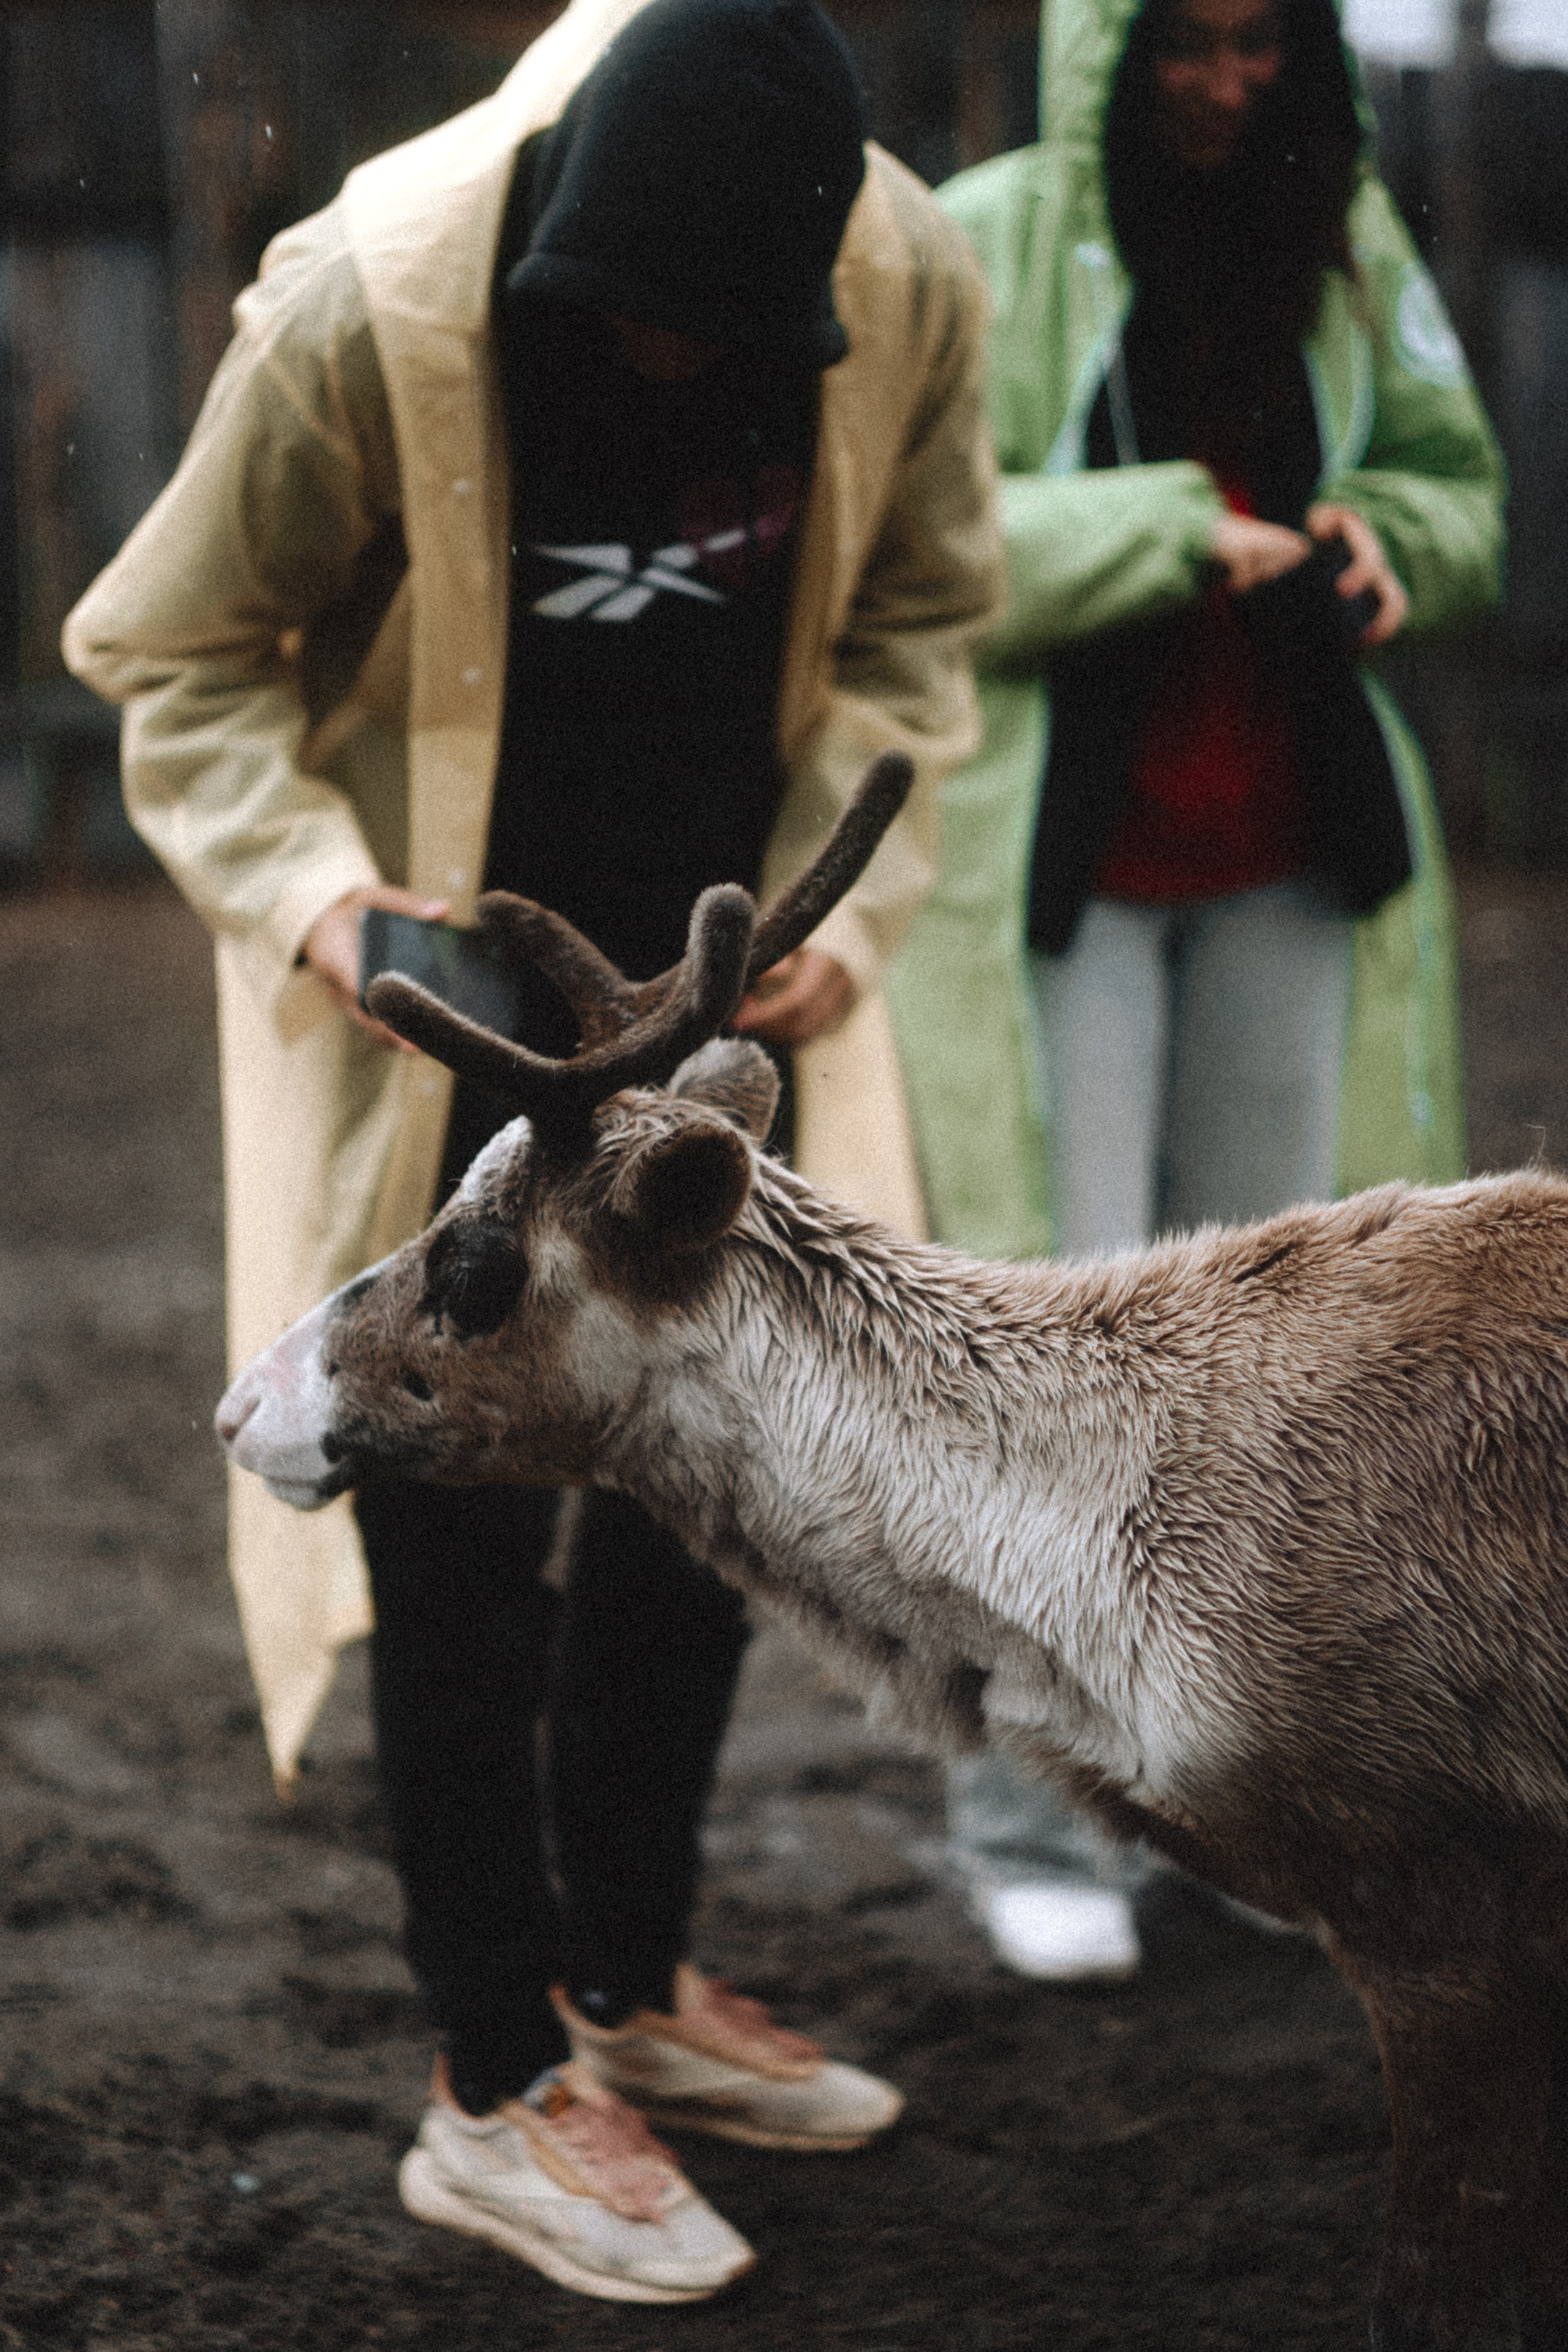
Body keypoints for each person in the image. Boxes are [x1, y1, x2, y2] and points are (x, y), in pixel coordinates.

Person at [63, 0, 1003, 2304]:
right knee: (457, 1513)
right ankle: (496, 2082)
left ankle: (629, 1988)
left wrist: (835, 914)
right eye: (639, 332)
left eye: (730, 340)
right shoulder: (363, 302)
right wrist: (332, 906)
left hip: (717, 1016)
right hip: (441, 1008)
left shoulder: (905, 286)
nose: (681, 370)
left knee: (705, 1483)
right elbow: (169, 655)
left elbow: (921, 621)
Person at [884, 0, 1504, 1983]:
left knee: (1289, 1387)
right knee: (1044, 1336)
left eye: (1265, 45)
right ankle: (1024, 1820)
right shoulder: (981, 233)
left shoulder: (1350, 237)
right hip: (1068, 891)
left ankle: (1233, 1811)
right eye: (1190, 44)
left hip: (1291, 875)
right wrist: (1169, 532)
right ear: (1108, 46)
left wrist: (1393, 544)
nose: (1229, 83)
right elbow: (928, 546)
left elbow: (1459, 482)